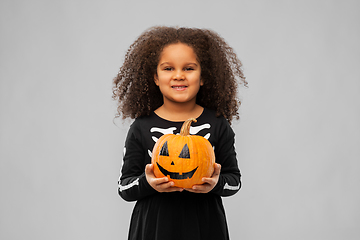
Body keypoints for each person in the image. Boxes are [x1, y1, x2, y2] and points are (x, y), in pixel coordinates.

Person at [113, 26, 247, 240]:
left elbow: (235, 181)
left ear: (203, 76)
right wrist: (147, 183)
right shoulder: (141, 126)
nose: (178, 76)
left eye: (188, 68)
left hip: (204, 226)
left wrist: (216, 183)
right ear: (155, 77)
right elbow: (124, 186)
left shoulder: (218, 124)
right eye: (168, 68)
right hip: (153, 228)